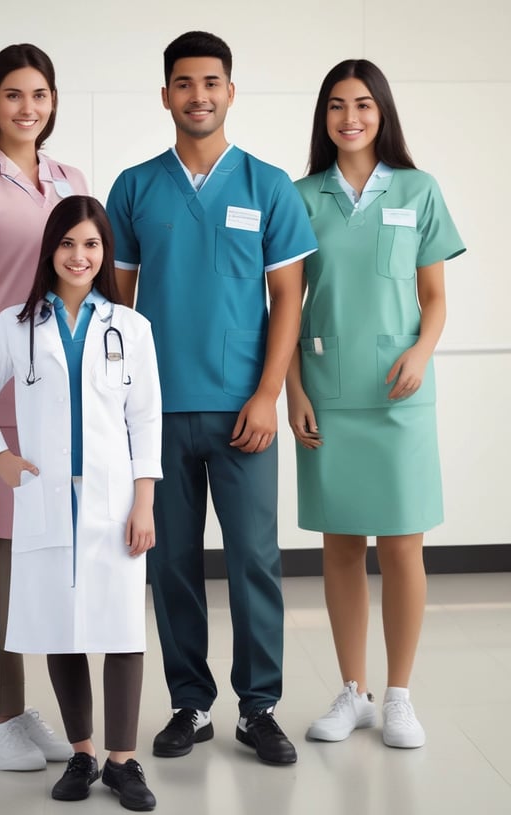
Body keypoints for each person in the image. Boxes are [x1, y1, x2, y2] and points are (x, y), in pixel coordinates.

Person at [106, 31, 317, 765]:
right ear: (166, 94)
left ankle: (259, 707)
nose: (199, 95)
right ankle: (189, 703)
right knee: (169, 562)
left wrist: (267, 394)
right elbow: (117, 309)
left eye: (212, 83)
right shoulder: (134, 187)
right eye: (185, 84)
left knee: (255, 558)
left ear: (231, 91)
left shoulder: (268, 185)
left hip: (243, 412)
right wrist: (119, 405)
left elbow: (288, 297)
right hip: (155, 412)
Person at [0, 195, 162, 810]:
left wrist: (144, 503)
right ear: (51, 249)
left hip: (113, 500)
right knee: (61, 628)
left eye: (93, 245)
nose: (80, 256)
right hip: (47, 498)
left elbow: (145, 418)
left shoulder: (129, 328)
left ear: (105, 254)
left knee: (123, 628)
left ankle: (123, 763)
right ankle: (81, 754)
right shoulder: (16, 327)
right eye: (69, 244)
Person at [286, 59, 465, 749]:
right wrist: (292, 387)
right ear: (323, 117)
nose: (350, 117)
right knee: (339, 545)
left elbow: (436, 297)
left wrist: (422, 352)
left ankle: (398, 695)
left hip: (399, 393)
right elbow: (286, 304)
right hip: (327, 391)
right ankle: (352, 691)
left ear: (382, 111)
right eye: (336, 105)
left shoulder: (418, 191)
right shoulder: (300, 196)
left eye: (362, 104)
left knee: (401, 546)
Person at [0, 43, 89, 771]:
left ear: (53, 101)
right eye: (13, 95)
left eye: (39, 94)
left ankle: (25, 701)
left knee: (45, 555)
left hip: (55, 391)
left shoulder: (69, 178)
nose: (27, 107)